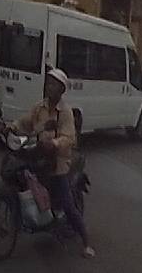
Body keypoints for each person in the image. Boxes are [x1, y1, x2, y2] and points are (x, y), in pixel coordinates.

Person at [8, 67, 95, 259]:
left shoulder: (65, 112)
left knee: (68, 205)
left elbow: (69, 138)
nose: (49, 87)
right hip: (38, 156)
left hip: (57, 162)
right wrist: (11, 127)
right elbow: (26, 122)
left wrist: (54, 144)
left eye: (54, 85)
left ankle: (86, 242)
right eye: (48, 83)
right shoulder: (39, 107)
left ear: (62, 90)